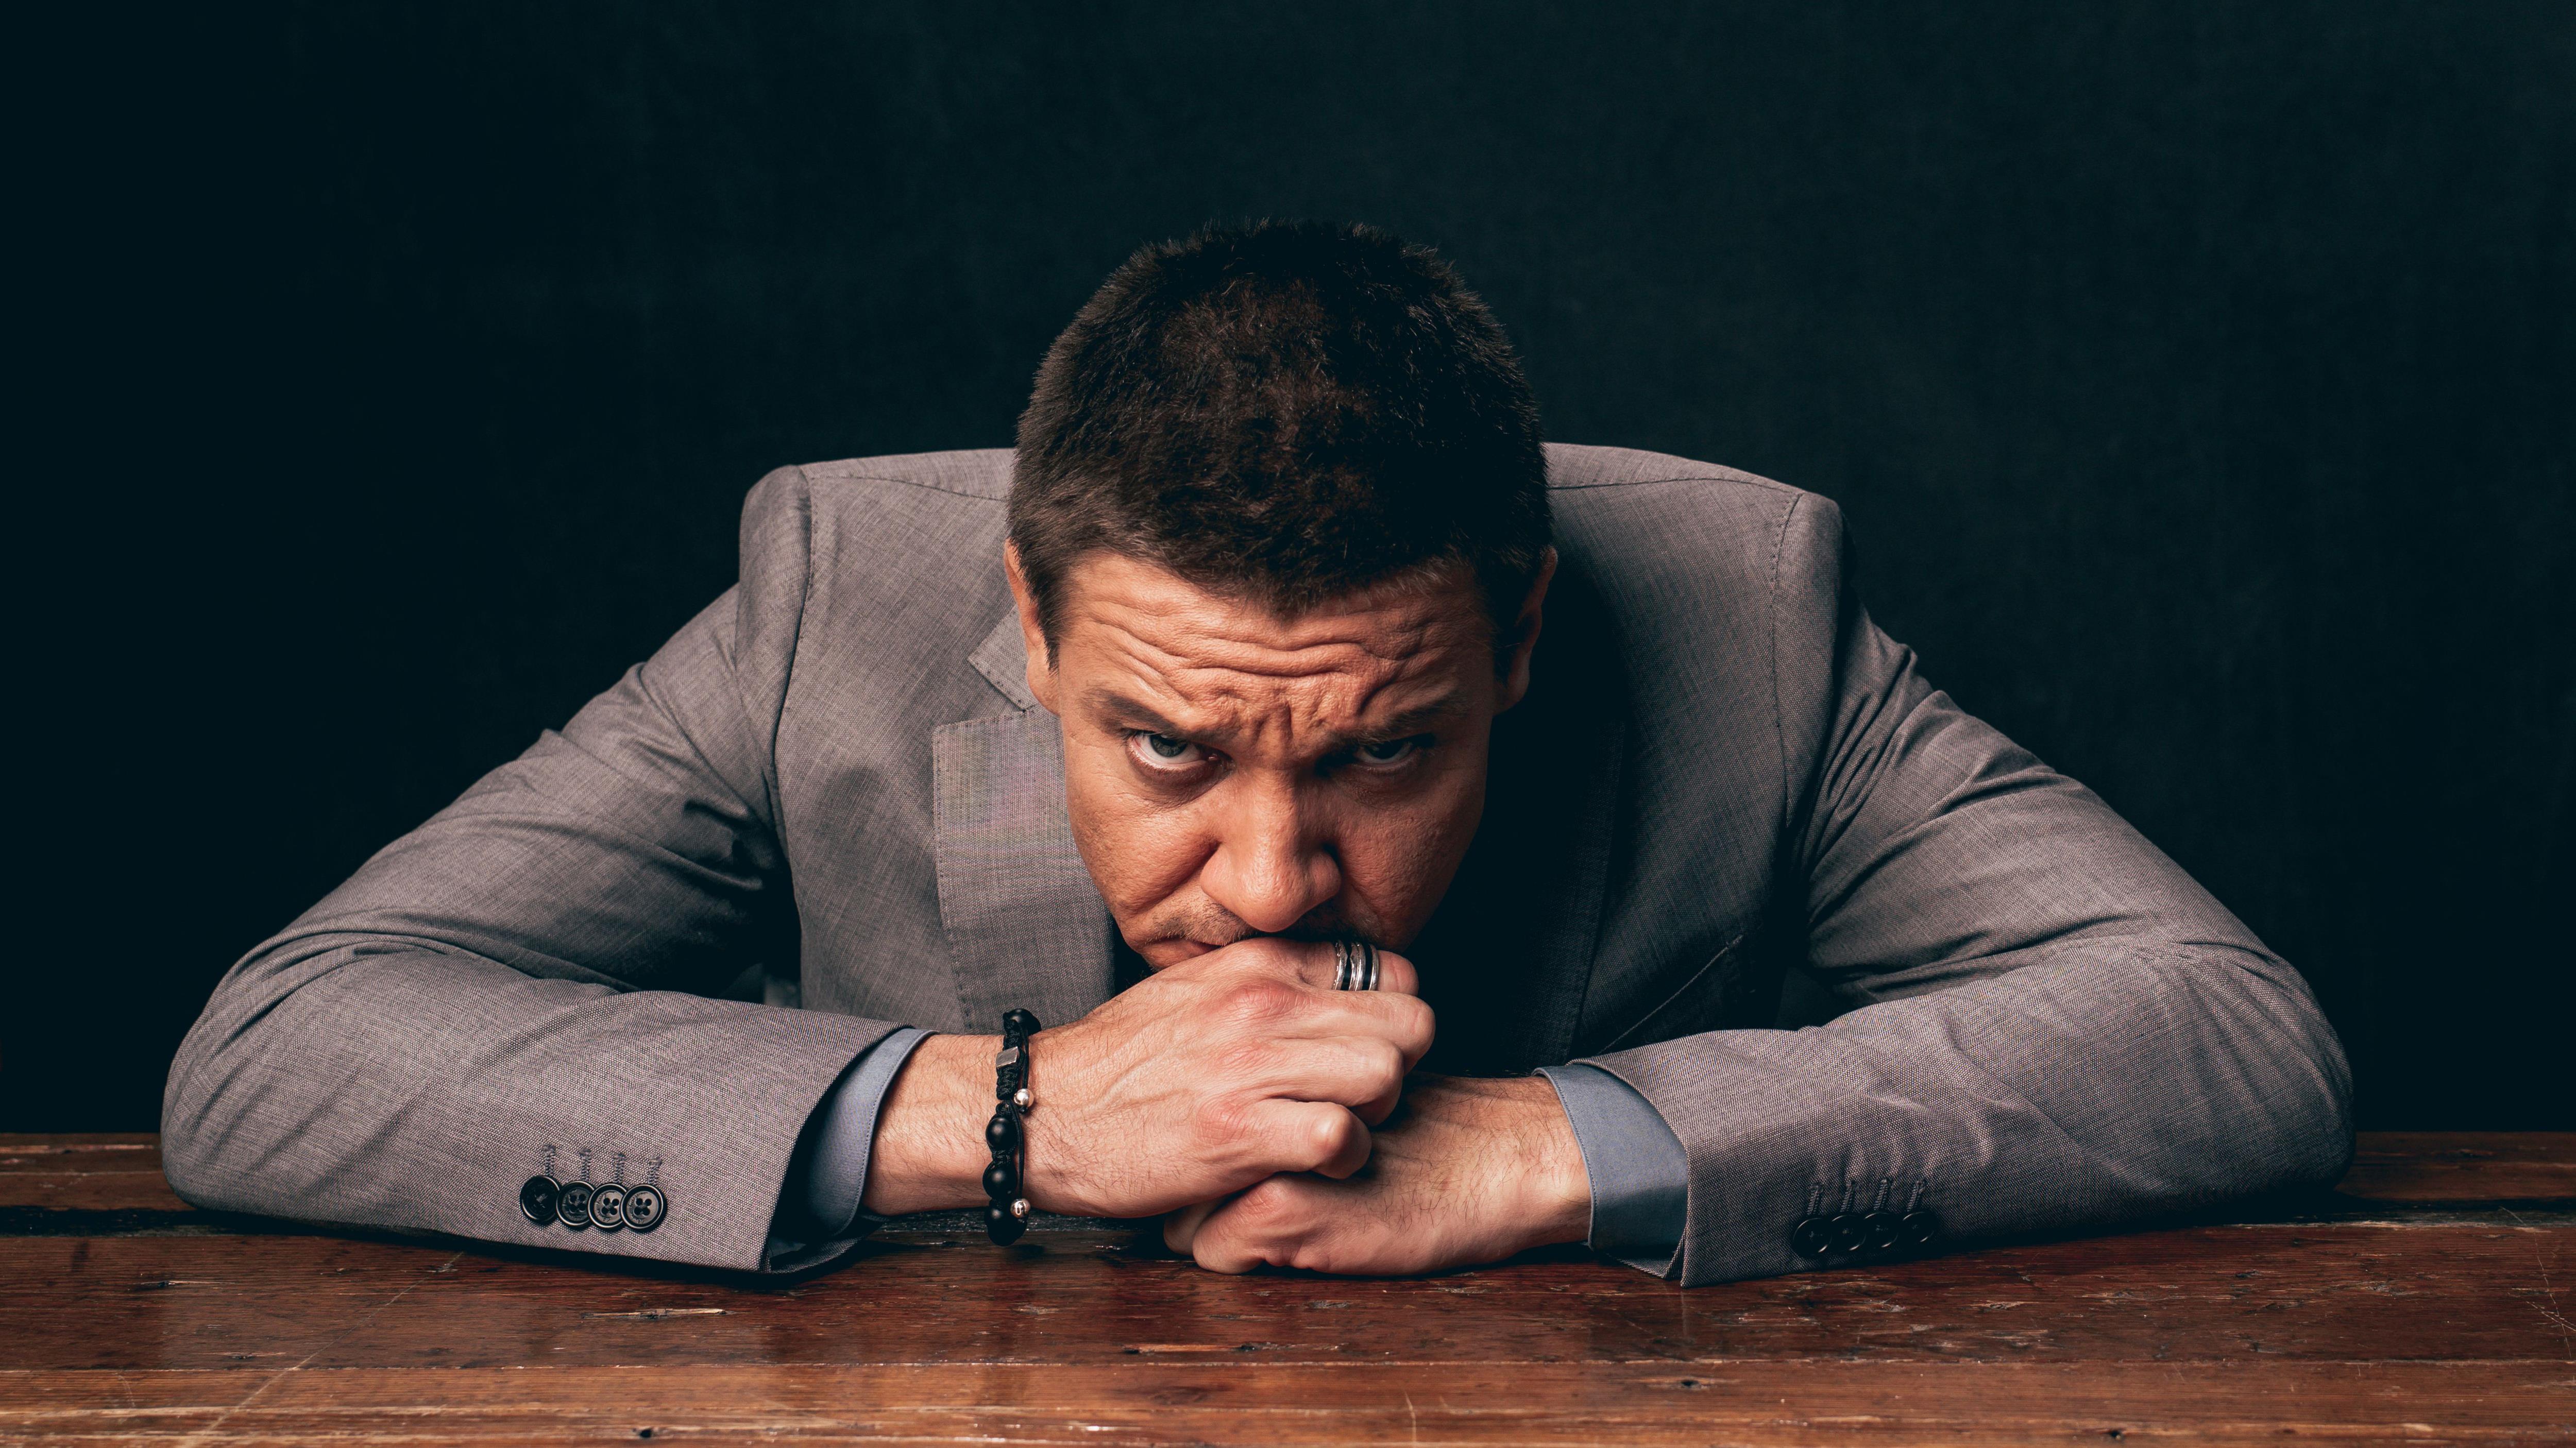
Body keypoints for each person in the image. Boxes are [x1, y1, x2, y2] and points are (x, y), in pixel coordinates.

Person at [161, 221, 2353, 1285]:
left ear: (1517, 636)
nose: (1276, 873)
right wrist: (1004, 1111)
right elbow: (280, 1046)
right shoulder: (836, 597)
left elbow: (2228, 1032)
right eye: (1165, 747)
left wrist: (1556, 1145)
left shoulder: (1748, 615)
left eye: (1384, 752)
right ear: (1029, 631)